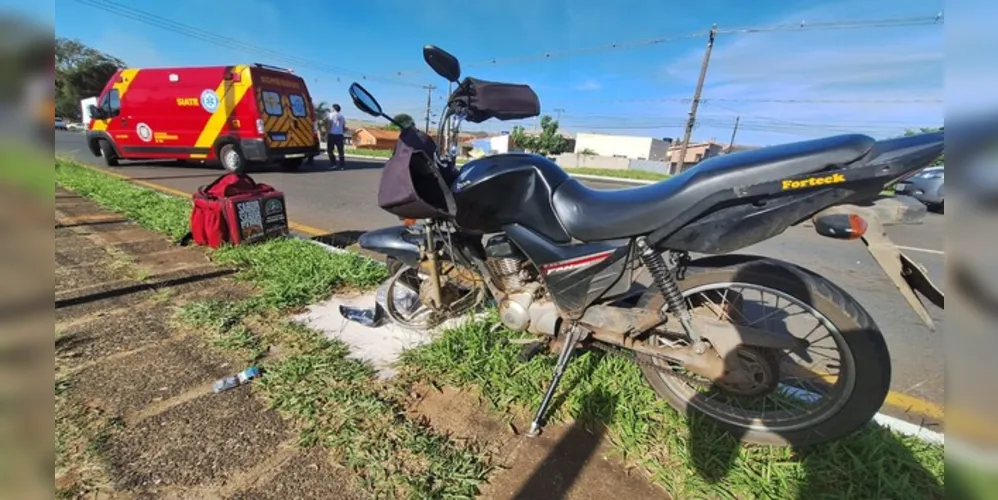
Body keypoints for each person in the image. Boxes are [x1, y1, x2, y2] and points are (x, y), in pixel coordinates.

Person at [327, 104, 347, 168]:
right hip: (340, 135)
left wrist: (327, 133)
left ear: (334, 108)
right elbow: (344, 127)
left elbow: (329, 124)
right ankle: (342, 165)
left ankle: (333, 164)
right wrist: (341, 132)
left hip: (332, 134)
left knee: (330, 150)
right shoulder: (342, 116)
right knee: (341, 150)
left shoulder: (331, 115)